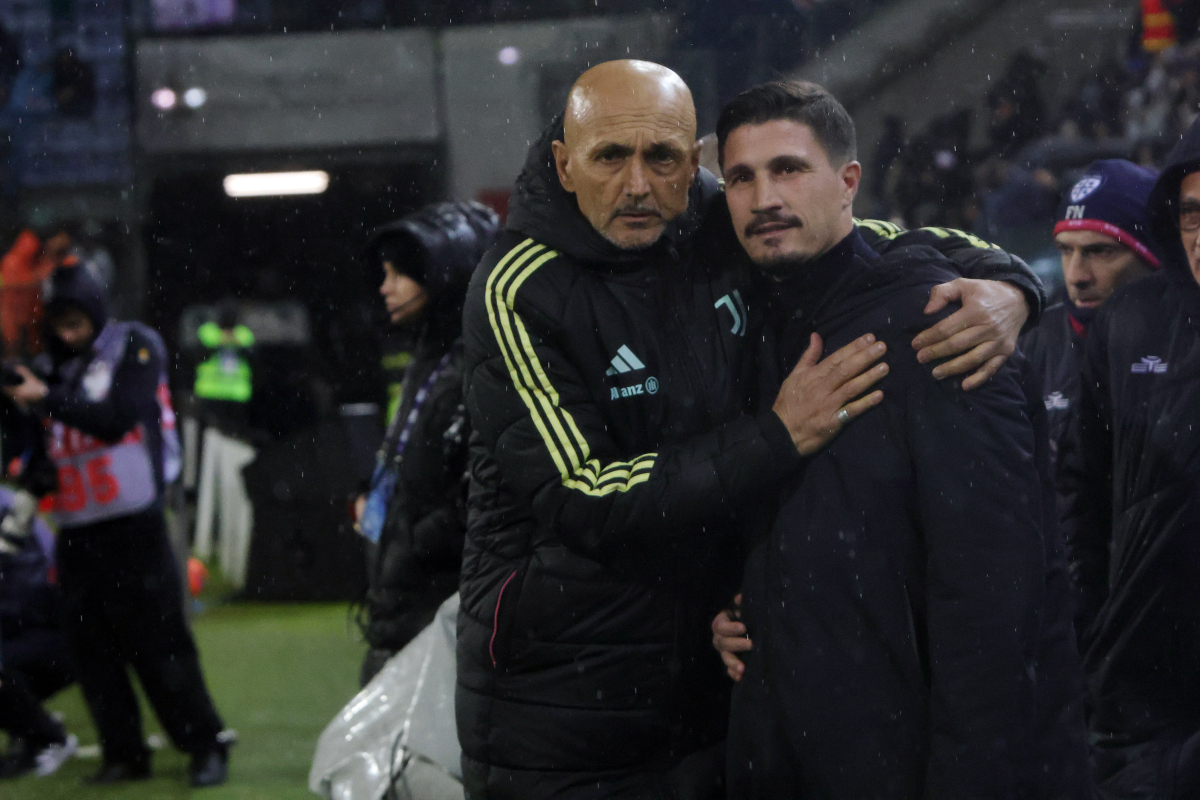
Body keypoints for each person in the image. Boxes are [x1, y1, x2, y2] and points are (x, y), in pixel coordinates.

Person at [457, 60, 1042, 799]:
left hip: (713, 685)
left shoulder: (716, 216)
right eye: (610, 157)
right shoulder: (516, 287)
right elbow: (584, 493)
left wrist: (1012, 285)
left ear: (692, 162)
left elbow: (871, 238)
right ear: (564, 164)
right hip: (561, 709)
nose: (638, 184)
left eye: (662, 158)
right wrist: (777, 435)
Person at [714, 80, 1090, 798]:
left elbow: (993, 609)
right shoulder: (755, 330)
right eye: (741, 177)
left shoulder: (943, 324)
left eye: (788, 169)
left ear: (849, 181)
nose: (763, 197)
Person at [3, 264, 230, 787]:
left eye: (75, 321)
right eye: (58, 323)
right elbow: (35, 460)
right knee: (94, 656)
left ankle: (205, 745)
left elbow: (118, 418)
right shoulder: (52, 370)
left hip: (136, 526)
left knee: (163, 648)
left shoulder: (133, 347)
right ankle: (123, 753)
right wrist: (17, 407)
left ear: (95, 310)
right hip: (78, 533)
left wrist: (45, 398)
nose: (67, 334)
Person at [1059, 113, 1200, 798]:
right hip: (1143, 700)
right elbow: (1079, 493)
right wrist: (1093, 627)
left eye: (1099, 253)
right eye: (1193, 215)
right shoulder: (1128, 325)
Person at [355, 201, 498, 686]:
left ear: (442, 277)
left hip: (439, 608)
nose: (385, 287)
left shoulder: (480, 361)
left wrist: (414, 542)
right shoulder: (428, 352)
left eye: (399, 274)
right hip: (405, 604)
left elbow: (482, 490)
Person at [1021, 160, 1160, 467]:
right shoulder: (1033, 345)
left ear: (1152, 255)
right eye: (1065, 250)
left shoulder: (1186, 342)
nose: (1076, 276)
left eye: (1101, 252)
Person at [0, 487, 77, 779]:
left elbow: (28, 590)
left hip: (52, 631)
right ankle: (26, 721)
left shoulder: (8, 512)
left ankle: (46, 737)